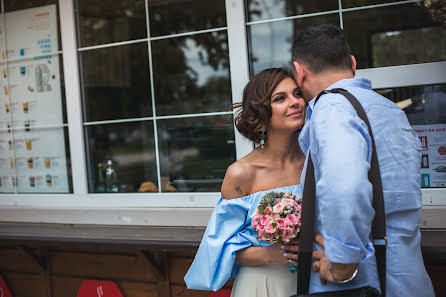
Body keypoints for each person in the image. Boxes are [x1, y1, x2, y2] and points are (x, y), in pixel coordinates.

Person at [291, 24, 435, 296]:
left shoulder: (331, 109)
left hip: (363, 284)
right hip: (408, 277)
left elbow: (345, 186)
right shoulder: (393, 111)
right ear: (353, 64)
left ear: (300, 72)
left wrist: (343, 265)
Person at [184, 68, 307, 296]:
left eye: (298, 94)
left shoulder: (316, 163)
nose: (295, 102)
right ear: (261, 112)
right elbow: (221, 248)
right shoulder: (241, 173)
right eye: (280, 98)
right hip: (264, 284)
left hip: (315, 280)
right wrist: (272, 254)